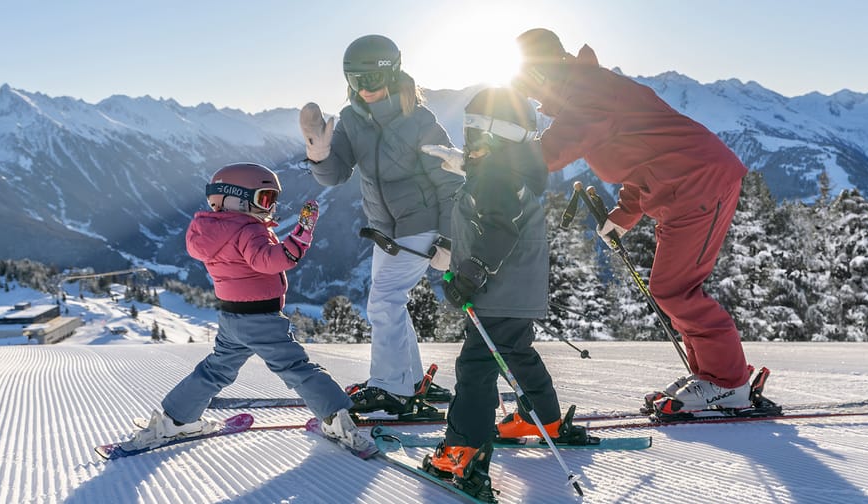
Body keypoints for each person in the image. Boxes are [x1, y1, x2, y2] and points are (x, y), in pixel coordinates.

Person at [513, 28, 753, 413]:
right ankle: (710, 374)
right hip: (679, 190)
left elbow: (551, 151)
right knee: (672, 289)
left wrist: (489, 163)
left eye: (533, 80)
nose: (534, 93)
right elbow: (641, 159)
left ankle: (728, 381)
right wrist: (624, 215)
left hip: (700, 184)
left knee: (675, 290)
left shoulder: (589, 92)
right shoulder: (588, 90)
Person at [123, 162, 374, 455]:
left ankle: (176, 420)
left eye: (271, 199)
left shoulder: (213, 229)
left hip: (232, 317)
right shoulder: (247, 228)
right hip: (260, 318)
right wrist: (301, 236)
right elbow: (268, 261)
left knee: (215, 370)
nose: (268, 208)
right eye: (263, 198)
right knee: (295, 367)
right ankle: (336, 418)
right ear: (234, 198)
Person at [418, 88, 589, 499]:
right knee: (515, 351)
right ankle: (542, 420)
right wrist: (456, 250)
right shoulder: (507, 169)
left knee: (476, 367)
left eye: (473, 133)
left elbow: (498, 229)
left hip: (499, 289)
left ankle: (462, 450)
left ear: (492, 136)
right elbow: (488, 222)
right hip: (516, 289)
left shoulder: (496, 175)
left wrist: (472, 272)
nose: (468, 142)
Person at [300, 34, 463, 414]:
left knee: (385, 302)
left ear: (392, 74)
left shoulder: (419, 120)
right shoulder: (353, 120)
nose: (364, 89)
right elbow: (335, 175)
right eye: (355, 81)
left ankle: (393, 388)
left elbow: (450, 179)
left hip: (420, 223)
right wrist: (318, 151)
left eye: (371, 80)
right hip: (384, 229)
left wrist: (449, 239)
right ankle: (409, 379)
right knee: (391, 302)